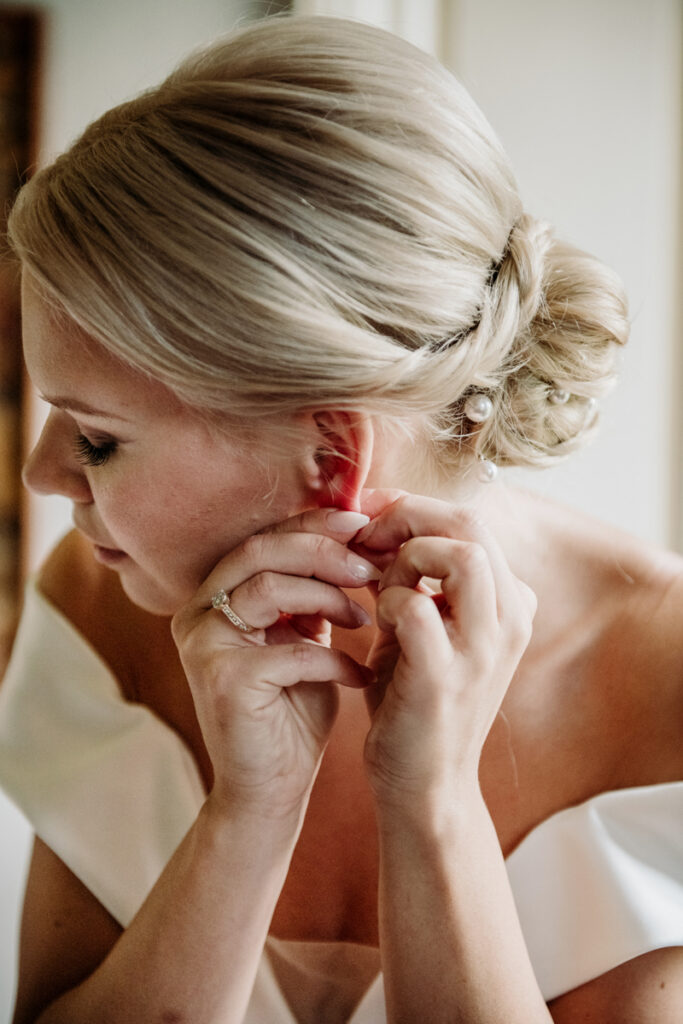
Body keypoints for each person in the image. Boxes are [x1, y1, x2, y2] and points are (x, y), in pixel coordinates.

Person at [1, 13, 682, 1024]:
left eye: (97, 438)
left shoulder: (659, 674)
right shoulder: (101, 608)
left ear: (332, 456)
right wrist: (246, 813)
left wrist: (435, 802)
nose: (45, 475)